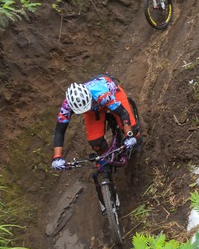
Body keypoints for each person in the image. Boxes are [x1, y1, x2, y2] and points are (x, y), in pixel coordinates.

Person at [50, 75, 140, 211]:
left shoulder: (102, 94)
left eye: (86, 107)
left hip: (112, 95)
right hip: (94, 109)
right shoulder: (67, 106)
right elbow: (59, 132)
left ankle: (138, 152)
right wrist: (57, 157)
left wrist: (129, 135)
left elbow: (122, 113)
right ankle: (107, 163)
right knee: (95, 142)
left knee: (132, 130)